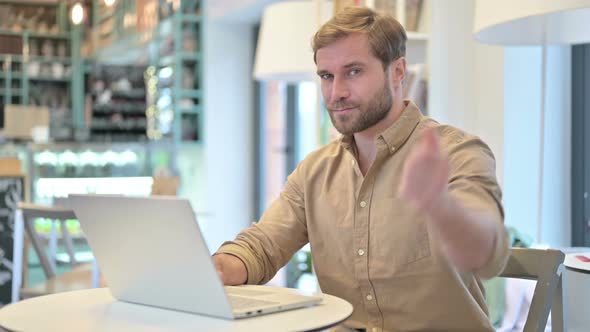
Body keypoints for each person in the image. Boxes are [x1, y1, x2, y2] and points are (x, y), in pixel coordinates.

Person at [213, 6, 508, 332]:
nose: (336, 92)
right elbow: (261, 248)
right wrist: (218, 269)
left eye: (353, 72)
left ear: (397, 72)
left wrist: (441, 207)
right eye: (327, 76)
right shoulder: (315, 171)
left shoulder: (457, 152)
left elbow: (487, 253)